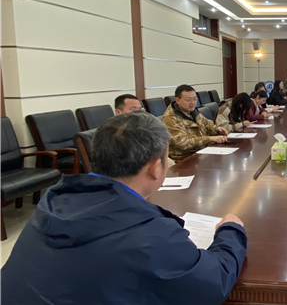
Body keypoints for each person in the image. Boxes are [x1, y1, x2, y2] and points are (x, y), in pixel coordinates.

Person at [1, 112, 247, 305]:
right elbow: (212, 284)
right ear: (156, 168)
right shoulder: (151, 235)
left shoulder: (53, 201)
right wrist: (230, 231)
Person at [163, 84, 228, 160]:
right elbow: (183, 142)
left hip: (201, 152)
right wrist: (209, 139)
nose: (192, 102)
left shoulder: (193, 112)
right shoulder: (170, 119)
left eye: (194, 99)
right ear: (177, 100)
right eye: (188, 100)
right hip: (184, 158)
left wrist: (217, 130)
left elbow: (207, 124)